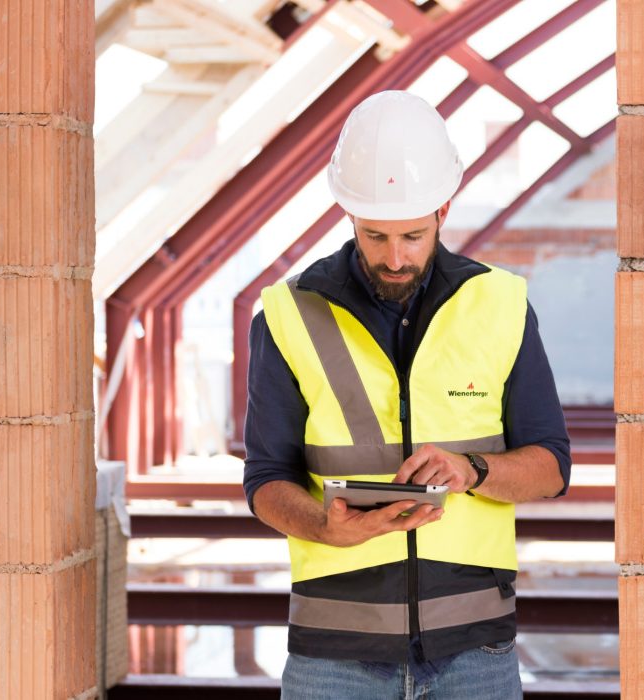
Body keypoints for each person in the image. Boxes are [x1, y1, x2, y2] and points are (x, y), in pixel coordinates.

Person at [242, 90, 571, 699]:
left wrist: (472, 470)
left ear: (444, 209)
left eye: (413, 236)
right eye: (375, 236)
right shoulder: (288, 313)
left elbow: (550, 466)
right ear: (349, 216)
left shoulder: (500, 306)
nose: (395, 258)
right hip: (333, 654)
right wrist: (321, 525)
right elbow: (265, 479)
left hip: (475, 650)